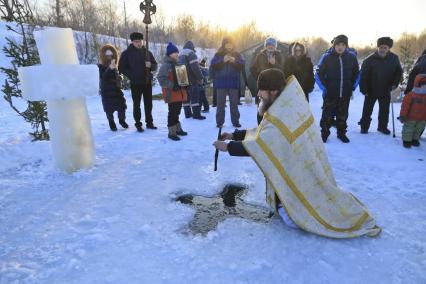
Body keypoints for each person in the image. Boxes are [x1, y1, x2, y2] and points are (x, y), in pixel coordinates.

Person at [212, 68, 380, 238]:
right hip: (298, 162)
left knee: (292, 220)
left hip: (298, 167)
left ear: (273, 90)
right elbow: (264, 133)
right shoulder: (285, 102)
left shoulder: (282, 111)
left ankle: (293, 208)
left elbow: (263, 144)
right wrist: (235, 135)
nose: (259, 94)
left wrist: (228, 147)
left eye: (261, 90)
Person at [317, 35, 359, 143]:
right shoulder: (327, 57)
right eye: (338, 44)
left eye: (343, 45)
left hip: (345, 93)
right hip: (331, 93)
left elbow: (357, 74)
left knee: (343, 115)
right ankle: (324, 133)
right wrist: (325, 88)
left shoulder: (351, 57)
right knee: (326, 115)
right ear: (334, 45)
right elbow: (318, 74)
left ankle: (341, 133)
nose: (340, 47)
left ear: (346, 46)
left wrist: (352, 86)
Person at [358, 37, 403, 134]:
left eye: (385, 47)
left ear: (389, 48)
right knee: (367, 110)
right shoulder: (369, 60)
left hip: (386, 89)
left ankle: (382, 127)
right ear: (378, 47)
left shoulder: (394, 58)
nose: (383, 49)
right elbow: (363, 76)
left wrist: (394, 84)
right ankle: (364, 127)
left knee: (384, 111)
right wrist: (364, 89)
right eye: (381, 47)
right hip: (371, 90)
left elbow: (398, 72)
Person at [118, 32, 158, 132]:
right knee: (137, 105)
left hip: (147, 82)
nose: (139, 43)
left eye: (140, 41)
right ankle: (138, 124)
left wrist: (150, 66)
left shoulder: (147, 52)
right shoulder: (127, 53)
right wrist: (132, 75)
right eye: (136, 41)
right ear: (132, 42)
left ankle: (149, 122)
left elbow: (155, 65)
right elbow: (121, 67)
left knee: (148, 104)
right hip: (135, 83)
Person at [211, 37, 245, 128]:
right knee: (220, 104)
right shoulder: (218, 54)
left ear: (233, 45)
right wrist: (223, 60)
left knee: (234, 104)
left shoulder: (237, 54)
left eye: (231, 44)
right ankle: (219, 122)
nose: (229, 46)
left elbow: (242, 65)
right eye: (227, 44)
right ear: (224, 44)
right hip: (221, 83)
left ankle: (235, 122)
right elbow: (213, 65)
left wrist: (234, 61)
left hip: (233, 83)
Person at [157, 42, 188, 141]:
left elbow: (182, 78)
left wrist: (186, 84)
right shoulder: (166, 65)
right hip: (171, 93)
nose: (176, 54)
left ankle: (177, 129)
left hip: (179, 93)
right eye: (174, 52)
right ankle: (171, 132)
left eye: (177, 52)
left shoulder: (178, 64)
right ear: (169, 54)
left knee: (177, 112)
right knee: (173, 112)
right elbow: (161, 78)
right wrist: (172, 85)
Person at [250, 37, 283, 124]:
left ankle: (273, 128)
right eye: (268, 45)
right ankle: (260, 128)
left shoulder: (279, 55)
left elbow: (283, 70)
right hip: (263, 87)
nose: (270, 46)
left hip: (274, 88)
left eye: (272, 45)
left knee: (274, 109)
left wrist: (274, 63)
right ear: (265, 46)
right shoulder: (260, 55)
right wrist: (259, 78)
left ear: (275, 46)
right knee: (261, 109)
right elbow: (252, 69)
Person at [98, 44, 128, 131]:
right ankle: (111, 122)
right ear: (103, 56)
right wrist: (110, 68)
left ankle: (122, 120)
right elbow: (103, 77)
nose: (109, 57)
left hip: (116, 91)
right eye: (107, 55)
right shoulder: (100, 67)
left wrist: (119, 77)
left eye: (111, 55)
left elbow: (116, 75)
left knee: (122, 107)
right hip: (107, 92)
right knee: (109, 110)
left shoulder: (114, 65)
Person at [178, 41, 206, 120]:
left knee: (185, 98)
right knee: (195, 97)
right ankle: (196, 115)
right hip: (192, 79)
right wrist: (200, 78)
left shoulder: (180, 54)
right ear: (192, 48)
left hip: (182, 79)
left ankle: (187, 114)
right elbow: (195, 68)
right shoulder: (191, 54)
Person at [399, 74, 426, 148]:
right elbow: (405, 106)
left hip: (423, 118)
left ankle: (415, 139)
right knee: (408, 129)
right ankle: (407, 140)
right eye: (423, 85)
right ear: (418, 85)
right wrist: (403, 115)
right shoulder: (410, 95)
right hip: (411, 117)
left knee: (418, 130)